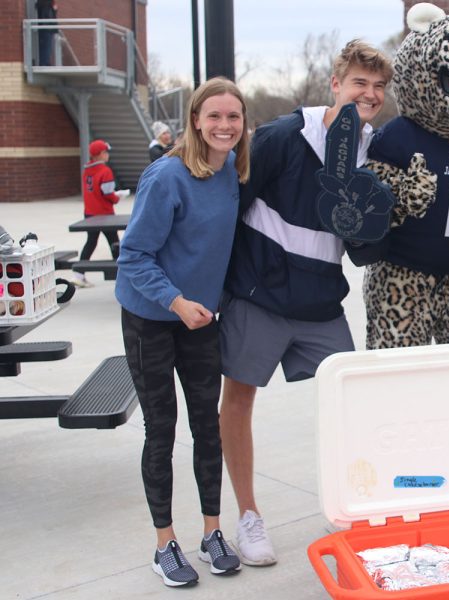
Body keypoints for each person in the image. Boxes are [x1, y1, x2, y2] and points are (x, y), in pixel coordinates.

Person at [219, 40, 393, 567]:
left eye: (380, 87)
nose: (370, 93)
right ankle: (248, 517)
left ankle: (349, 508)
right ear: (335, 84)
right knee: (240, 400)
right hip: (258, 296)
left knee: (350, 404)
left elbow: (362, 247)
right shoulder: (281, 136)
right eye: (360, 82)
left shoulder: (373, 151)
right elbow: (229, 208)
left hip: (320, 303)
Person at [115, 76, 249, 587]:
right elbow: (133, 256)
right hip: (152, 317)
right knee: (161, 428)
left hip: (201, 320)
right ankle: (164, 542)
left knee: (206, 426)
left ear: (242, 124)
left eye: (232, 116)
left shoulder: (233, 174)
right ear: (195, 120)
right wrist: (175, 299)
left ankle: (213, 533)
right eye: (213, 116)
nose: (223, 125)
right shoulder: (166, 177)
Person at [77, 139, 126, 287]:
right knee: (115, 243)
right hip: (105, 214)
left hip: (90, 214)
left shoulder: (86, 170)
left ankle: (78, 274)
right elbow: (108, 193)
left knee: (91, 242)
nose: (107, 155)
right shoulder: (105, 171)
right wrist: (118, 197)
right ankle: (121, 275)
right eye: (105, 152)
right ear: (99, 155)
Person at [35, 0, 58, 66]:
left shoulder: (48, 3)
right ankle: (44, 62)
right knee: (46, 46)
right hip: (47, 28)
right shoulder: (46, 3)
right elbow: (47, 15)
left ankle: (46, 62)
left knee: (48, 46)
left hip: (48, 28)